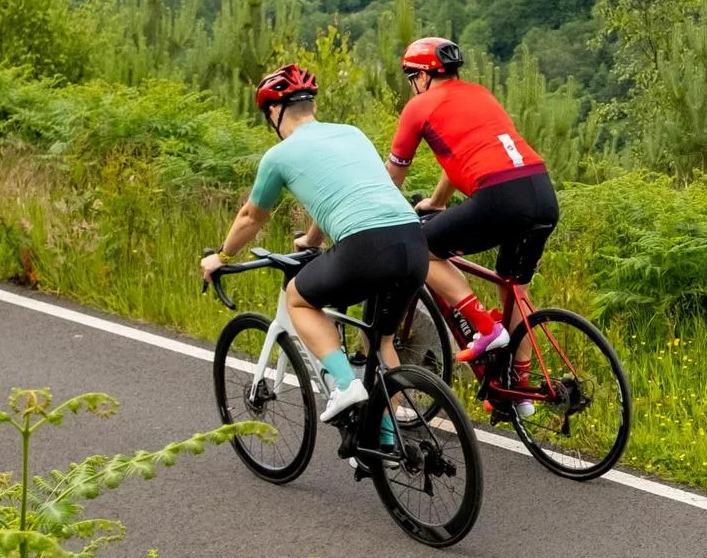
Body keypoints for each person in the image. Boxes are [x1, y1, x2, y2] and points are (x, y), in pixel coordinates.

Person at [201, 64, 429, 427]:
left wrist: (222, 256)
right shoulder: (351, 134)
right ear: (313, 108)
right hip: (414, 241)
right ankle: (387, 441)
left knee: (298, 298)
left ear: (273, 112)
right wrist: (310, 241)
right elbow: (343, 194)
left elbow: (251, 217)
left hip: (366, 245)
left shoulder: (279, 155)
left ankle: (344, 384)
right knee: (382, 342)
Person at [386, 37, 559, 390]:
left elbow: (392, 176)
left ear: (421, 76)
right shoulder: (480, 94)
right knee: (515, 288)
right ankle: (519, 389)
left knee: (422, 249)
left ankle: (485, 328)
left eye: (410, 79)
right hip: (542, 192)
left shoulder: (419, 107)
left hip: (501, 196)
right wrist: (435, 203)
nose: (411, 88)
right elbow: (462, 159)